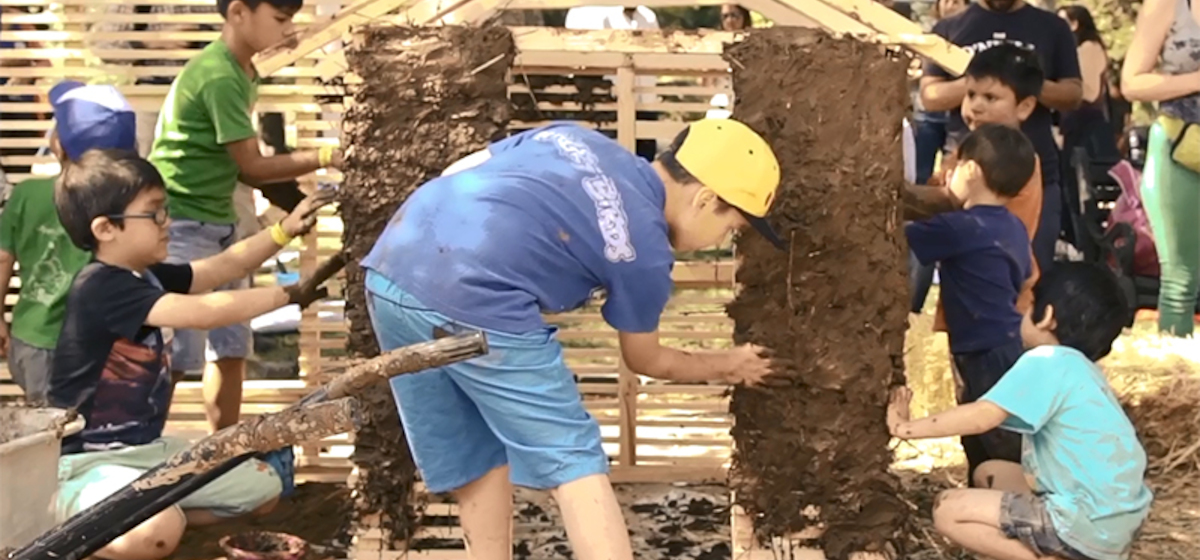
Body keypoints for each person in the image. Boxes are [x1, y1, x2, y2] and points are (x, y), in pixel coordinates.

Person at [362, 119, 782, 560]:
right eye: (731, 229)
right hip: (477, 294)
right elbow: (646, 359)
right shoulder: (646, 253)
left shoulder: (573, 137)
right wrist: (731, 366)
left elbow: (460, 172)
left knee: (475, 454)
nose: (721, 241)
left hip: (393, 264)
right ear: (705, 198)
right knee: (574, 461)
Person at [47, 149, 334, 560]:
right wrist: (287, 294)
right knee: (156, 534)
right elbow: (200, 313)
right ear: (106, 228)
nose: (168, 223)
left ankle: (145, 515)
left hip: (148, 452)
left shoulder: (143, 274)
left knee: (263, 487)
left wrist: (283, 231)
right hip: (84, 465)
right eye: (155, 213)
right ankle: (74, 518)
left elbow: (218, 269)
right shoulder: (100, 287)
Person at [147, 0, 344, 433]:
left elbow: (239, 164)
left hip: (219, 218)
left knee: (231, 347)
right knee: (175, 356)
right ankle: (142, 468)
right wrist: (328, 155)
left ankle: (221, 454)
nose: (289, 30)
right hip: (181, 222)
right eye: (280, 18)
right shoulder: (218, 75)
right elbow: (251, 166)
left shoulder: (242, 71)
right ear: (239, 12)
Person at [886, 262, 1152, 560]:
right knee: (990, 473)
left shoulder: (1046, 360)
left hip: (1081, 522)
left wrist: (905, 428)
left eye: (1031, 305)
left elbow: (982, 416)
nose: (1022, 313)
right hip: (1117, 523)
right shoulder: (1085, 372)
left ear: (1047, 317)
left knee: (947, 509)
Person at [905, 121, 1037, 486]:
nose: (946, 175)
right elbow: (1024, 275)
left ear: (971, 170)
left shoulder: (960, 227)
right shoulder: (1012, 227)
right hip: (1006, 341)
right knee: (998, 432)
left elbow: (895, 236)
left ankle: (998, 502)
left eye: (953, 166)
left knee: (986, 434)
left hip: (981, 349)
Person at [920, 0, 1083, 279]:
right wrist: (983, 81)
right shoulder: (949, 28)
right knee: (961, 267)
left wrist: (1022, 79)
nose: (978, 103)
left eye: (987, 97)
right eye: (974, 97)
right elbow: (930, 96)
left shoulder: (1052, 27)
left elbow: (1074, 94)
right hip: (965, 168)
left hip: (1035, 171)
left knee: (1029, 270)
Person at [0, 82, 133, 406]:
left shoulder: (27, 195)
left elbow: (3, 259)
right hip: (105, 342)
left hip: (34, 337)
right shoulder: (128, 202)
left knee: (47, 432)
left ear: (60, 143)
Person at [1120, 0, 1200, 337]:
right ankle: (1181, 379)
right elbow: (1131, 82)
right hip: (1178, 146)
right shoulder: (1167, 5)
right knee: (1180, 281)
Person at [907, 0, 968, 314]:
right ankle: (912, 301)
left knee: (946, 203)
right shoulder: (940, 32)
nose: (953, 4)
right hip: (931, 121)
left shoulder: (970, 29)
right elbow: (930, 95)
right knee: (918, 195)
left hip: (959, 132)